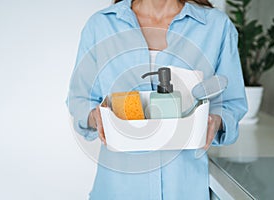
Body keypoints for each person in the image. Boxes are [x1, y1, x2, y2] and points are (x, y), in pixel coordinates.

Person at [67, 0, 247, 199]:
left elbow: (232, 103)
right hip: (118, 189)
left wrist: (215, 121)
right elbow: (79, 99)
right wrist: (97, 116)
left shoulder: (216, 27)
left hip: (185, 188)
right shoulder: (100, 26)